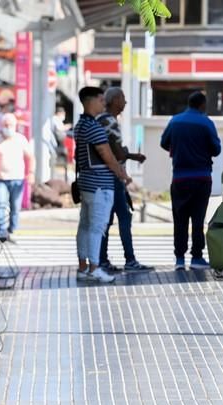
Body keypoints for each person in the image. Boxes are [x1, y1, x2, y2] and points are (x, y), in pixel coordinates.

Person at [74, 86, 132, 283]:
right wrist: (123, 175)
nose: (103, 104)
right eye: (100, 100)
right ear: (91, 101)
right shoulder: (94, 127)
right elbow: (108, 156)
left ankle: (83, 267)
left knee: (84, 226)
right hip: (100, 185)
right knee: (97, 227)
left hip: (86, 182)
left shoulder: (80, 125)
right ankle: (94, 268)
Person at [160, 91, 221, 270]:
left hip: (179, 178)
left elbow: (164, 142)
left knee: (179, 219)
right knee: (198, 219)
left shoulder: (175, 121)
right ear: (202, 105)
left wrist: (178, 149)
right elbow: (216, 149)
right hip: (201, 177)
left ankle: (179, 258)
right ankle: (196, 257)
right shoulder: (207, 123)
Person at [96, 87, 152, 273]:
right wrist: (132, 157)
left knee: (106, 219)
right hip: (113, 176)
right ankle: (130, 260)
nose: (125, 103)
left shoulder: (99, 120)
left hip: (102, 177)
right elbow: (117, 152)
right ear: (115, 100)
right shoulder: (110, 122)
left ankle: (102, 260)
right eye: (123, 98)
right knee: (124, 217)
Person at [0, 113, 35, 238]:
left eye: (10, 125)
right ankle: (1, 230)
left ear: (15, 126)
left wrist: (30, 173)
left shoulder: (21, 139)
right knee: (1, 205)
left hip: (17, 178)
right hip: (0, 179)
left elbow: (30, 157)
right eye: (5, 125)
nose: (8, 127)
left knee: (15, 206)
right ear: (1, 126)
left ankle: (13, 228)